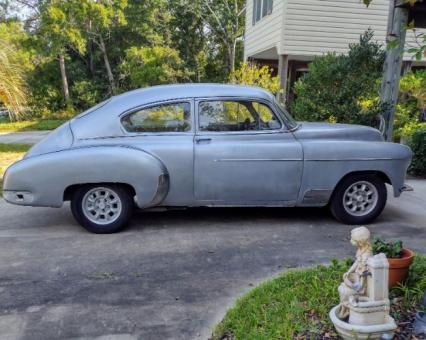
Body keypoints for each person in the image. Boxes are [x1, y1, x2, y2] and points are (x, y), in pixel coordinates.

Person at [337, 227, 372, 319]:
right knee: (342, 287)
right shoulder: (361, 249)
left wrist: (356, 284)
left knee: (345, 291)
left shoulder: (367, 254)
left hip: (362, 280)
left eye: (353, 240)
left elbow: (364, 272)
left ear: (361, 241)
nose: (351, 241)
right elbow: (357, 262)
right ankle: (345, 307)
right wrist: (349, 271)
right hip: (357, 276)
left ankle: (347, 307)